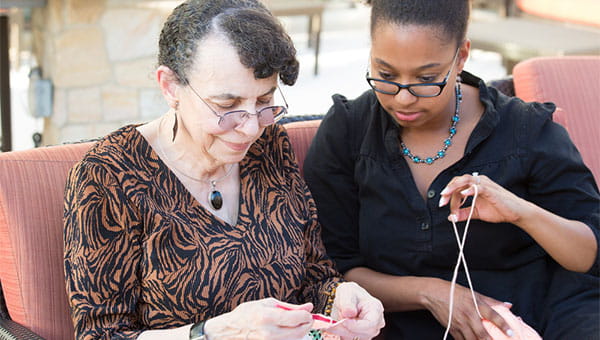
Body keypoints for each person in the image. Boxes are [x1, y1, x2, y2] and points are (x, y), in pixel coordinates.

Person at [63, 1, 386, 339]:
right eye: (227, 106)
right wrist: (215, 332)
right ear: (170, 86)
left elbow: (314, 279)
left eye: (263, 101)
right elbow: (101, 335)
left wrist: (341, 297)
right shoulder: (108, 177)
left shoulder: (269, 146)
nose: (250, 129)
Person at [303, 0, 600, 339]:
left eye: (427, 78)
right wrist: (431, 293)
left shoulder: (525, 130)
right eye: (385, 75)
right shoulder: (348, 130)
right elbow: (332, 271)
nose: (403, 98)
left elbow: (588, 255)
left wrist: (520, 212)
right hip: (405, 326)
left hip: (545, 317)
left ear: (461, 57)